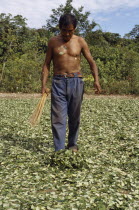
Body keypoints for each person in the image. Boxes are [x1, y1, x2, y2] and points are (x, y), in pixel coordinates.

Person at [42, 13, 101, 152]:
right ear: (59, 27)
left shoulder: (80, 41)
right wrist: (43, 85)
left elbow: (92, 62)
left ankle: (72, 144)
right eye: (64, 30)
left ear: (74, 29)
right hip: (58, 82)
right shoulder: (53, 42)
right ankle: (59, 149)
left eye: (70, 31)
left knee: (74, 116)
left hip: (76, 81)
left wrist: (96, 81)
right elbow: (46, 65)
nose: (67, 34)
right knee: (58, 118)